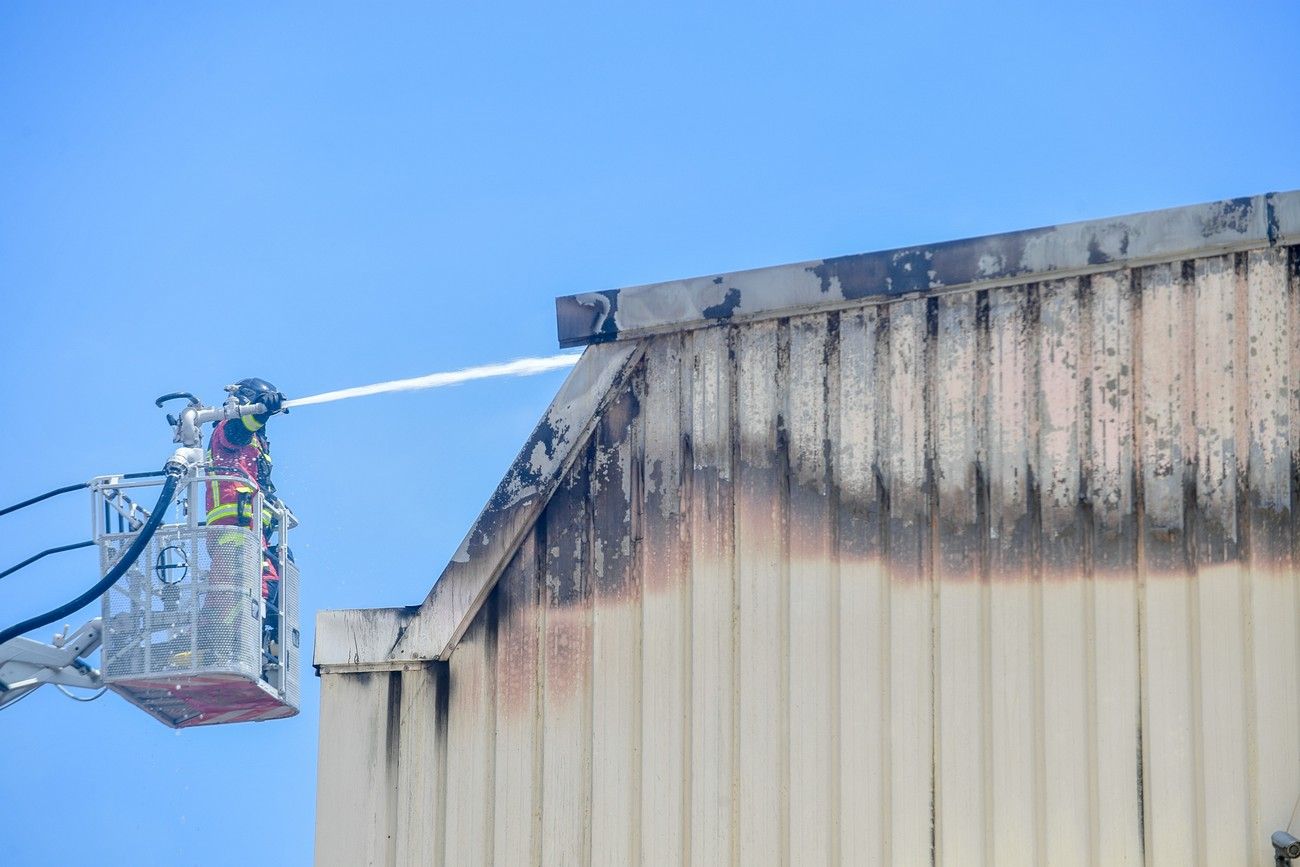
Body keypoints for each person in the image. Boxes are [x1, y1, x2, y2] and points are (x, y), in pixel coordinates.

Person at [202, 378, 287, 676]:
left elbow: (258, 483)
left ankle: (263, 647)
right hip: (232, 529)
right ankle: (224, 647)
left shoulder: (259, 444)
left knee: (273, 580)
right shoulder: (227, 429)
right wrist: (262, 410)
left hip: (253, 532)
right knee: (236, 590)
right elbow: (239, 430)